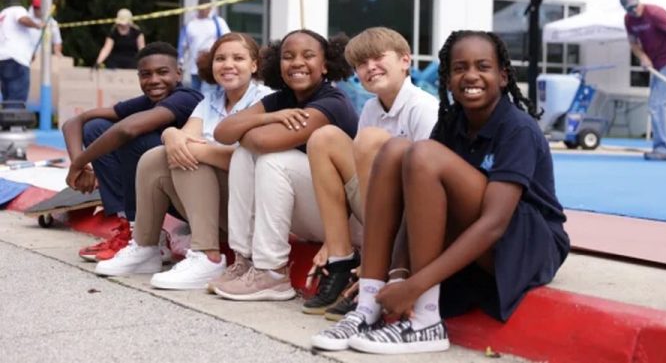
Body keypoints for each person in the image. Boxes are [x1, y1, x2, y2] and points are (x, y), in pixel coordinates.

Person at [311, 30, 570, 355]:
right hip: (480, 235)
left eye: (483, 66)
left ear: (503, 76)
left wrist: (415, 286)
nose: (471, 75)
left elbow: (495, 223)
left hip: (528, 244)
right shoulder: (452, 123)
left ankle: (426, 318)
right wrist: (397, 277)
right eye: (459, 68)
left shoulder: (517, 128)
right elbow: (415, 207)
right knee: (395, 150)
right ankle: (367, 308)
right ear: (446, 79)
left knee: (421, 153)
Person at [94, 33, 273, 288]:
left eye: (238, 58)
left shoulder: (265, 99)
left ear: (254, 65)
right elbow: (184, 136)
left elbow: (246, 159)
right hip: (213, 208)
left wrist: (191, 147)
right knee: (154, 157)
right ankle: (146, 248)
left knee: (191, 159)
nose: (228, 64)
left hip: (249, 208)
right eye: (220, 58)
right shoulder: (210, 101)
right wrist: (171, 135)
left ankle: (208, 257)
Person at [208, 29, 358, 301]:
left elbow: (264, 143)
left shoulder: (332, 102)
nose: (297, 62)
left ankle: (273, 273)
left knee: (273, 160)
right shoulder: (280, 100)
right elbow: (222, 131)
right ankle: (245, 260)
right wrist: (268, 118)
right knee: (243, 155)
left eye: (308, 56)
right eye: (288, 56)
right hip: (312, 212)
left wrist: (252, 128)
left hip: (343, 219)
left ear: (325, 65)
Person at [302, 27, 438, 318]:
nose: (369, 68)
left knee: (369, 141)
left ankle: (376, 265)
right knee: (323, 137)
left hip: (411, 214)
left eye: (378, 58)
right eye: (361, 64)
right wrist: (329, 240)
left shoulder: (424, 108)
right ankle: (340, 260)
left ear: (405, 60)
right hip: (378, 209)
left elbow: (430, 184)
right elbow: (363, 177)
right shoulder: (371, 110)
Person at [62, 42, 203, 262]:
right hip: (166, 191)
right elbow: (75, 122)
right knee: (96, 128)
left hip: (194, 196)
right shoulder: (147, 101)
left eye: (162, 72)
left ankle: (146, 236)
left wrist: (77, 163)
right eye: (146, 74)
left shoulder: (187, 98)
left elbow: (128, 129)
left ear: (178, 74)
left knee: (136, 140)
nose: (154, 80)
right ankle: (130, 229)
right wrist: (83, 167)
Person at [620, 0, 666, 161]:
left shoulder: (655, 13)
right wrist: (643, 56)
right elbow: (633, 43)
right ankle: (663, 146)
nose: (634, 11)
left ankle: (664, 148)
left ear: (639, 1)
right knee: (656, 105)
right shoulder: (629, 20)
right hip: (656, 65)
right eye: (629, 9)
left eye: (635, 6)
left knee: (656, 104)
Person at [178, 0, 230, 93]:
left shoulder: (218, 22)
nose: (204, 11)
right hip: (194, 68)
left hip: (211, 67)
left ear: (210, 8)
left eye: (207, 8)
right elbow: (183, 46)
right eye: (202, 8)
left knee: (209, 94)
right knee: (194, 96)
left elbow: (227, 39)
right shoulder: (190, 24)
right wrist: (181, 64)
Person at [0, 0, 42, 102]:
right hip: (16, 60)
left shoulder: (2, 15)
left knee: (7, 98)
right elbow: (22, 19)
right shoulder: (17, 10)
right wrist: (37, 25)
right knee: (16, 101)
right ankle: (13, 118)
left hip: (2, 60)